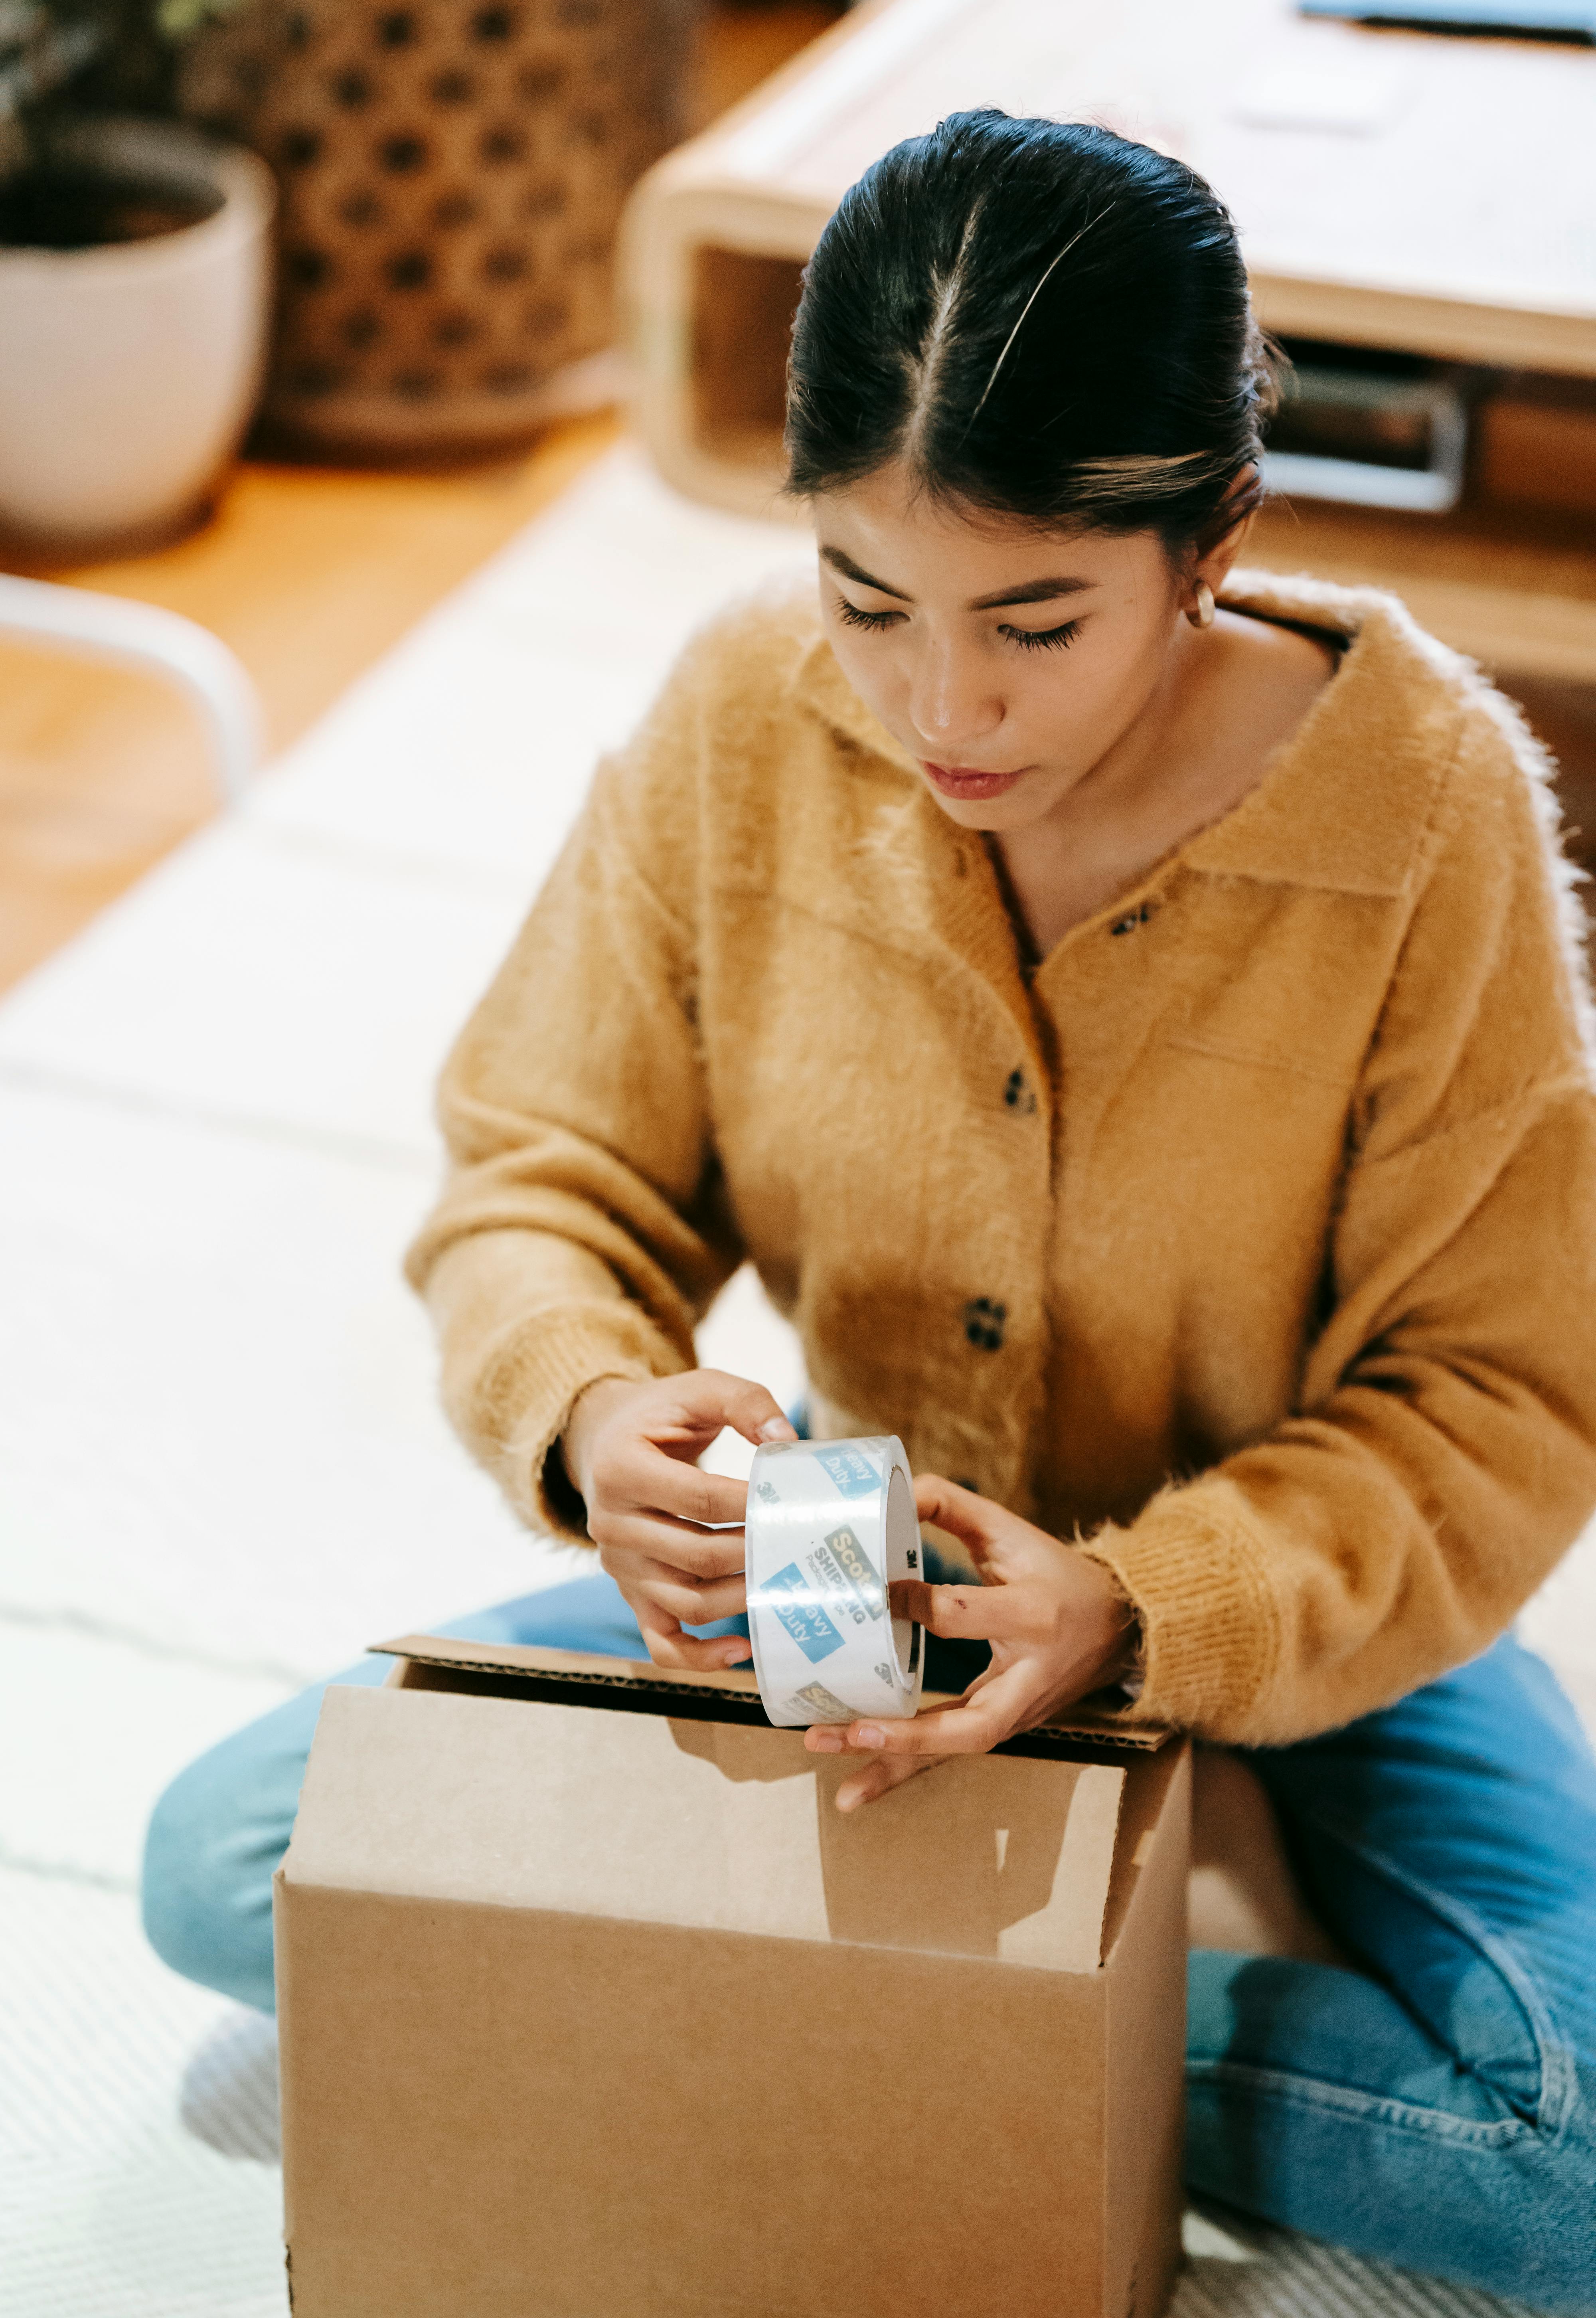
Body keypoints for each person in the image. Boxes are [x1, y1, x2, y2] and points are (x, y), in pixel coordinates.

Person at [142, 111, 1596, 2307]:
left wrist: (1148, 1618)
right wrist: (592, 1406)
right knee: (223, 1863)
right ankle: (1002, 1973)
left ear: (1212, 538)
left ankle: (976, 1984)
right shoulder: (750, 713)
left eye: (1037, 619)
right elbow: (543, 1162)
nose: (946, 706)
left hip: (1313, 1614)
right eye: (869, 596)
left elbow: (1501, 1390)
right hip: (853, 1598)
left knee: (1571, 2174)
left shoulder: (1426, 813)